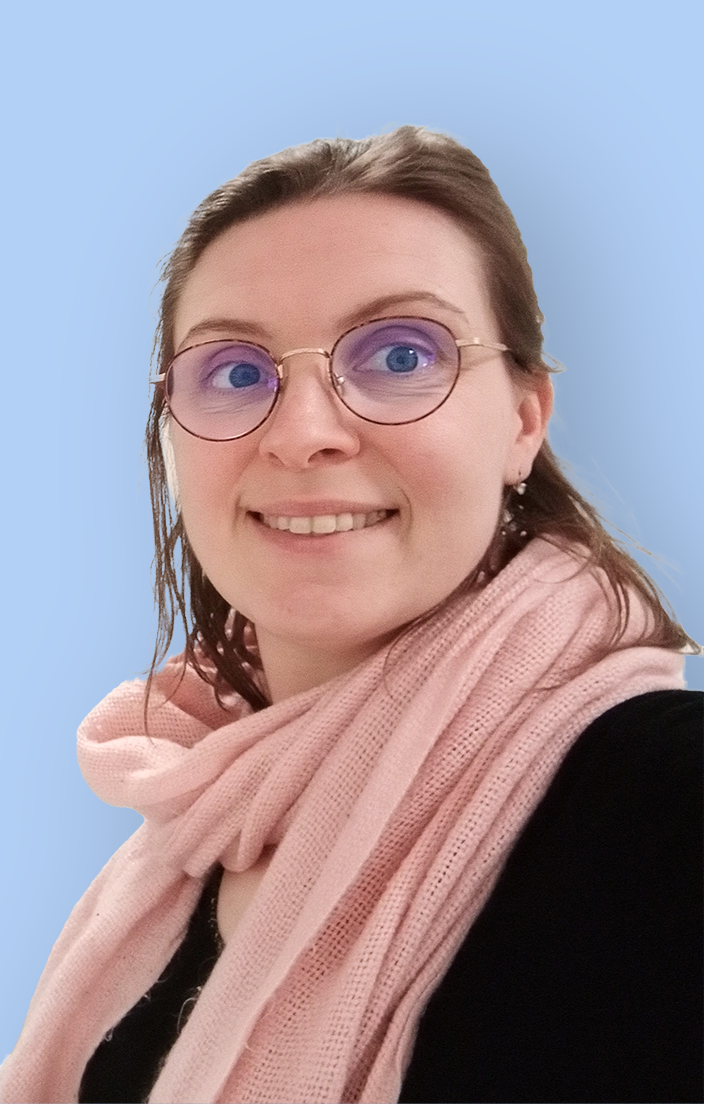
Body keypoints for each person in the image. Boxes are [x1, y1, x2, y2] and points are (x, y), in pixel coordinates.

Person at [1, 127, 701, 1104]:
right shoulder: (185, 842)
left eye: (400, 353)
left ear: (522, 421)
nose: (301, 434)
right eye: (235, 372)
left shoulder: (672, 805)